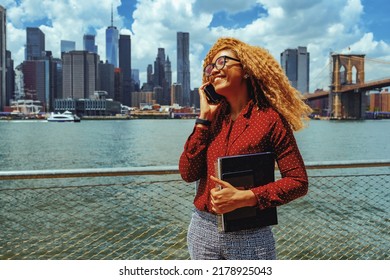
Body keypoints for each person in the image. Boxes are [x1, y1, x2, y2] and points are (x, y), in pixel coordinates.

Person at [179, 37, 312, 260]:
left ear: (247, 69)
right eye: (210, 67)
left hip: (250, 236)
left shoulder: (270, 120)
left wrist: (247, 197)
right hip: (202, 230)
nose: (213, 71)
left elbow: (298, 182)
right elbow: (187, 173)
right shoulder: (211, 119)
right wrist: (203, 119)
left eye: (222, 62)